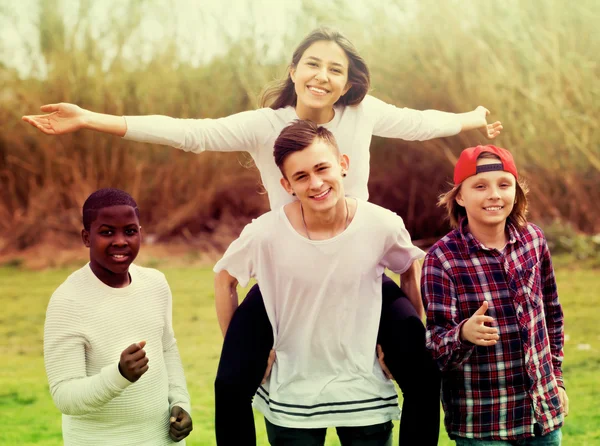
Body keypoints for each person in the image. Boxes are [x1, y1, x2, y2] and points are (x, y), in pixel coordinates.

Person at [24, 27, 503, 445]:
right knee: (231, 383)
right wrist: (90, 118)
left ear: (349, 81)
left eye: (335, 69)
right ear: (294, 70)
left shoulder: (362, 113)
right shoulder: (264, 125)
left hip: (358, 271)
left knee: (421, 372)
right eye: (312, 63)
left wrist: (472, 119)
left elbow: (420, 123)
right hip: (286, 274)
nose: (322, 75)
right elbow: (188, 132)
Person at [215, 119, 425, 445]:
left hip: (363, 393)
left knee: (426, 374)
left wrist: (398, 348)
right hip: (293, 396)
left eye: (322, 168)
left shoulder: (382, 224)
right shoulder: (265, 234)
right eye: (301, 176)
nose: (315, 183)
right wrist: (248, 353)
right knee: (227, 386)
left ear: (343, 165)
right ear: (287, 185)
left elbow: (409, 268)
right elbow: (225, 279)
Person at [421, 145, 567, 445]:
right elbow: (434, 348)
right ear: (460, 196)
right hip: (484, 426)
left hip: (543, 419)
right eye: (480, 186)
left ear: (516, 191)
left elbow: (552, 315)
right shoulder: (443, 259)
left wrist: (557, 381)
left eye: (504, 184)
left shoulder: (533, 241)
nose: (494, 195)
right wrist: (463, 334)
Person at [43, 188, 193, 445]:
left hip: (162, 439)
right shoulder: (67, 301)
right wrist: (119, 375)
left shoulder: (155, 283)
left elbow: (167, 348)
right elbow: (64, 396)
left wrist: (180, 401)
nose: (121, 241)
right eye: (107, 232)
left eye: (130, 231)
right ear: (86, 237)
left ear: (140, 233)